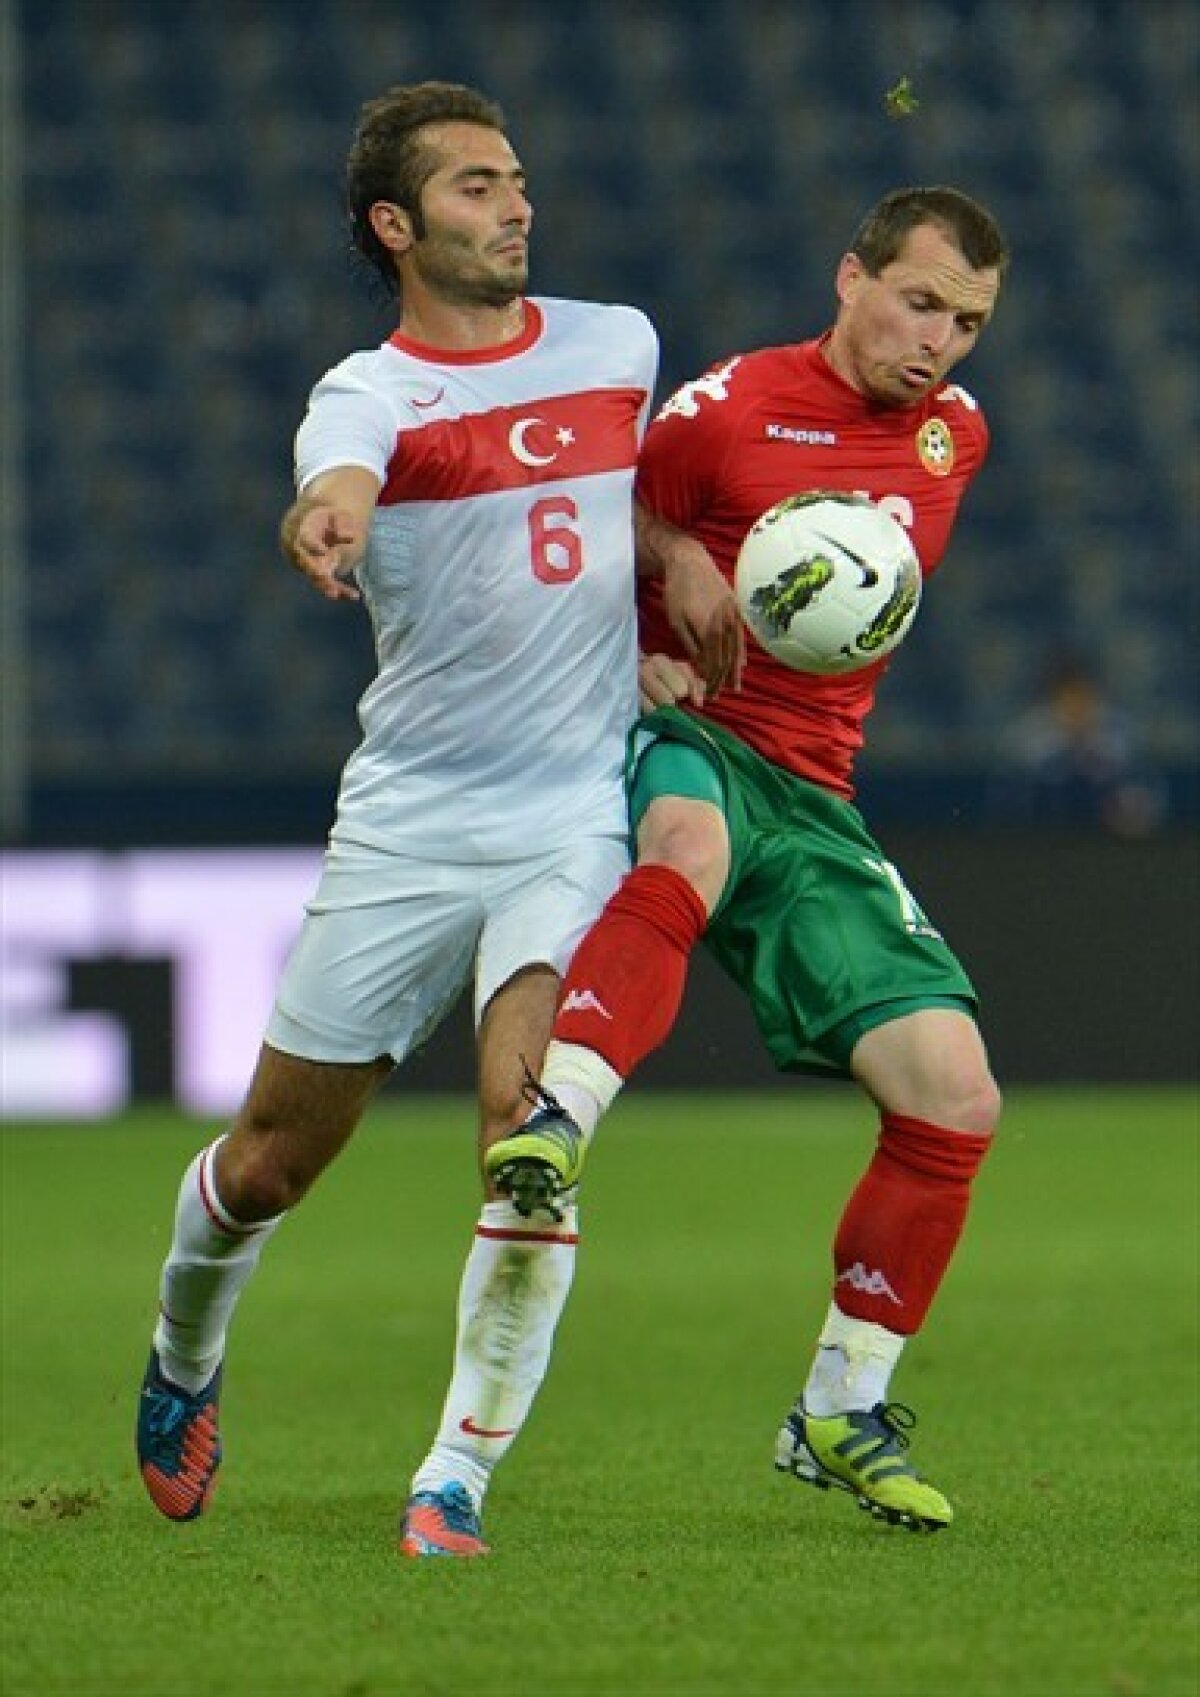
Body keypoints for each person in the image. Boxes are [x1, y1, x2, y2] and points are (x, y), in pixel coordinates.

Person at [134, 81, 734, 1558]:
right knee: (267, 1164)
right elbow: (334, 485)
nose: (516, 204)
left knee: (529, 1132)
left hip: (568, 819)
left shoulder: (618, 342)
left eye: (516, 178)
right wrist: (327, 517)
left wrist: (670, 565)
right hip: (410, 821)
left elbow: (602, 505)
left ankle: (453, 1475)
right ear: (395, 226)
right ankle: (183, 1350)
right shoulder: (366, 396)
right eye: (477, 186)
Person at [488, 186, 1011, 1532]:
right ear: (851, 278)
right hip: (687, 729)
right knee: (689, 839)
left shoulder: (954, 437)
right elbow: (582, 533)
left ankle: (839, 1405)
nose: (939, 341)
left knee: (956, 1093)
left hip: (817, 793)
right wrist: (660, 600)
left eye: (966, 323)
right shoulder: (722, 413)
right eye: (920, 303)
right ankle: (558, 1118)